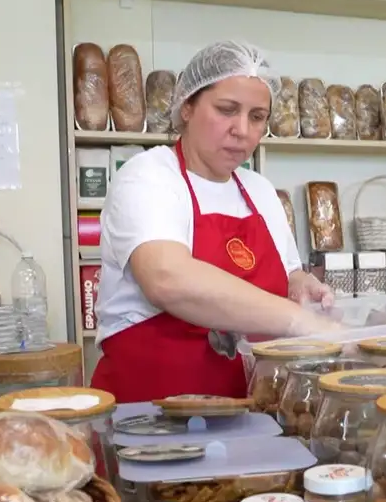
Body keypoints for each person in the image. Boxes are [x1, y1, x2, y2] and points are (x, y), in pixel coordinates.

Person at [91, 40, 337, 403]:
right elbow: (168, 279)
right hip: (151, 414)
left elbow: (287, 275)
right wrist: (299, 321)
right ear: (186, 106)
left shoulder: (259, 190)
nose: (242, 130)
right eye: (226, 110)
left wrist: (300, 285)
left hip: (248, 412)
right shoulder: (149, 176)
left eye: (257, 117)